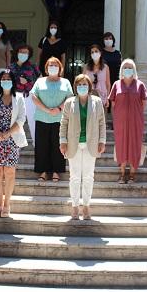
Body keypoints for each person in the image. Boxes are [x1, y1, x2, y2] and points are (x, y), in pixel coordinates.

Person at [60, 74, 107, 220]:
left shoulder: (97, 102)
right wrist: (63, 141)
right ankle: (74, 207)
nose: (82, 87)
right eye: (79, 85)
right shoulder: (69, 102)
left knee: (88, 177)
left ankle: (86, 206)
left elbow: (101, 122)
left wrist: (102, 140)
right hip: (73, 144)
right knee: (74, 177)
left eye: (84, 84)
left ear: (89, 86)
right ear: (75, 87)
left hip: (90, 144)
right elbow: (64, 123)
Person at [0, 70, 27, 218]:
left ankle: (7, 204)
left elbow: (22, 119)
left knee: (9, 172)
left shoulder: (19, 98)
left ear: (13, 81)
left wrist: (8, 133)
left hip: (12, 139)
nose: (5, 81)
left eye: (8, 78)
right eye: (3, 78)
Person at [31, 57, 73, 182]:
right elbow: (33, 96)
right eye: (50, 65)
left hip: (59, 119)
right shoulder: (40, 81)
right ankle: (43, 171)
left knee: (58, 145)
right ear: (46, 68)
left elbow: (70, 98)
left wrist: (59, 109)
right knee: (42, 146)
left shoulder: (65, 82)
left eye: (55, 65)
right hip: (42, 117)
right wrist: (46, 109)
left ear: (60, 68)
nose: (53, 67)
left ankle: (56, 171)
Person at [108, 59, 147, 184]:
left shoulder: (140, 85)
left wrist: (134, 113)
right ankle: (122, 174)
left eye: (130, 67)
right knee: (121, 145)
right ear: (121, 69)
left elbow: (143, 103)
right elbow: (113, 102)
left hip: (136, 120)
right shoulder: (116, 84)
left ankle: (132, 174)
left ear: (134, 70)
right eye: (125, 67)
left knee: (134, 144)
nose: (127, 69)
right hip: (120, 120)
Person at [9, 44, 41, 145]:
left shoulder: (32, 67)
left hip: (29, 96)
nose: (23, 54)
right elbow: (6, 81)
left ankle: (37, 143)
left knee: (33, 120)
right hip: (15, 96)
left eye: (26, 53)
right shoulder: (11, 67)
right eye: (21, 52)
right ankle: (13, 144)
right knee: (14, 120)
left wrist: (27, 83)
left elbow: (40, 80)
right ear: (17, 53)